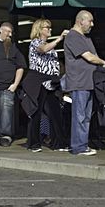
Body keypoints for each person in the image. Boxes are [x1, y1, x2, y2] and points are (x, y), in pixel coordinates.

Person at [64, 10, 105, 156]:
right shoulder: (73, 36)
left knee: (86, 116)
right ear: (81, 21)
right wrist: (103, 62)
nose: (92, 25)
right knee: (80, 116)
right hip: (79, 82)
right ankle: (78, 147)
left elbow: (93, 56)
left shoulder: (85, 38)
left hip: (88, 82)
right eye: (90, 21)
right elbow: (90, 57)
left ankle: (82, 144)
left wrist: (97, 59)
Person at [24, 19, 69, 153]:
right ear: (39, 29)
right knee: (36, 113)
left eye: (50, 27)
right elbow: (43, 49)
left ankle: (59, 143)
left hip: (51, 82)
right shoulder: (35, 43)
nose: (50, 29)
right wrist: (60, 38)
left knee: (56, 113)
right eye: (47, 27)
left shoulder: (51, 46)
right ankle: (34, 143)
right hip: (38, 81)